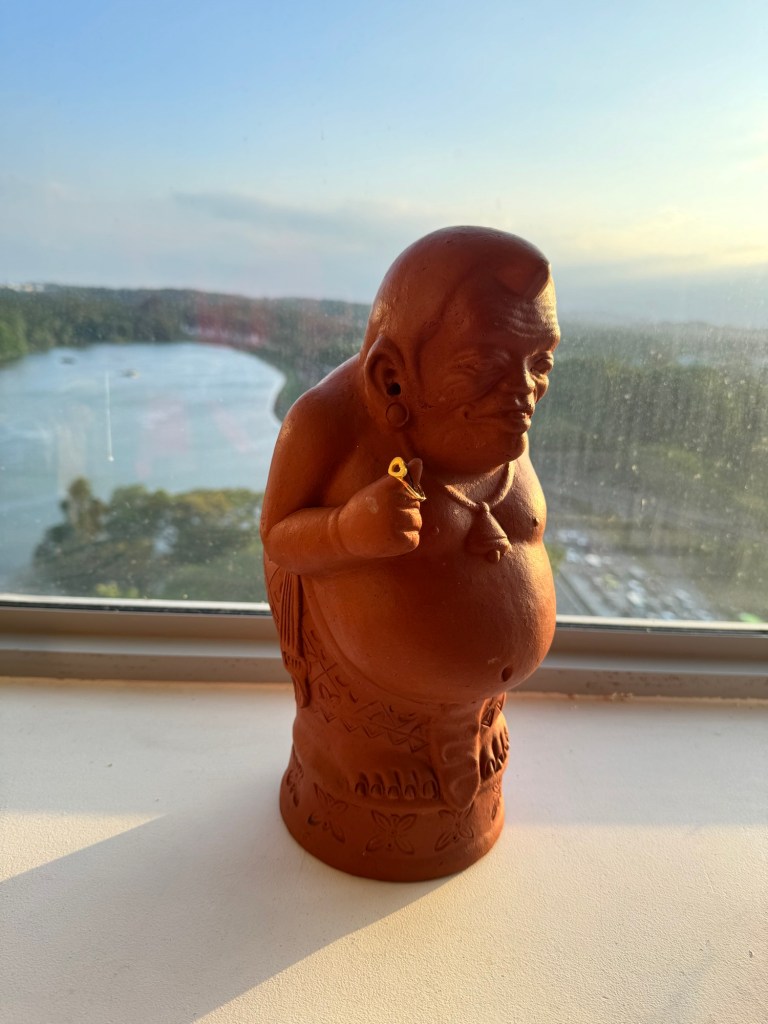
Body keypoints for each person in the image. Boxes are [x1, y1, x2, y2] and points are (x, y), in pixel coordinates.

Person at [261, 226, 560, 880]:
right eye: (485, 363)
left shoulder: (498, 416)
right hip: (364, 721)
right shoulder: (324, 424)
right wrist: (346, 532)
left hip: (482, 713)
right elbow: (279, 537)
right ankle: (353, 752)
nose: (524, 389)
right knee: (362, 762)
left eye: (540, 361)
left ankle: (471, 720)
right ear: (393, 377)